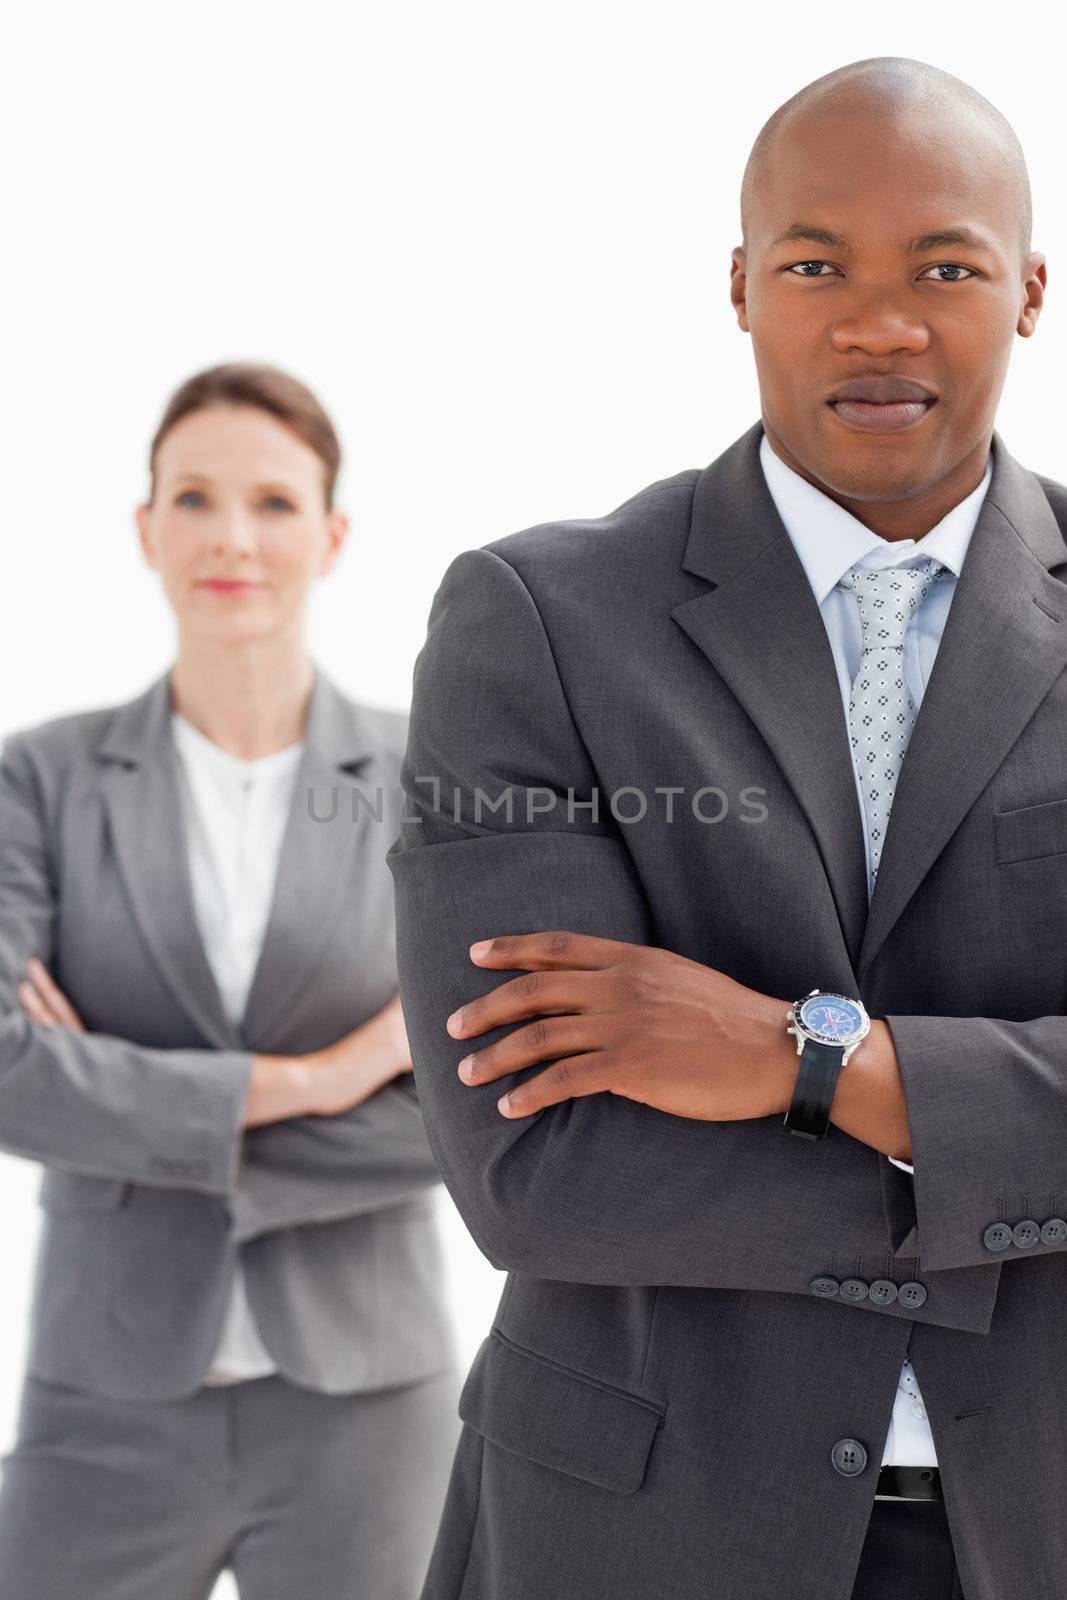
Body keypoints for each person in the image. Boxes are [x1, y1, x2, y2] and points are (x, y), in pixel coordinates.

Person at [386, 57, 1060, 1600]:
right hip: (639, 1532)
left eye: (940, 267)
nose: (876, 323)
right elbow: (538, 1167)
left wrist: (799, 1060)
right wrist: (987, 1168)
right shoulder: (540, 621)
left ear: (1024, 291)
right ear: (739, 285)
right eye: (815, 264)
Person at [0, 362, 462, 1599]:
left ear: (331, 533)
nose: (232, 538)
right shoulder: (39, 777)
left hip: (369, 1402)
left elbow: (487, 1100)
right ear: (146, 529)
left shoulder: (435, 776)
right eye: (194, 498)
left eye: (270, 501)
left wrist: (117, 1104)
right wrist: (335, 1071)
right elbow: (5, 1072)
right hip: (102, 1394)